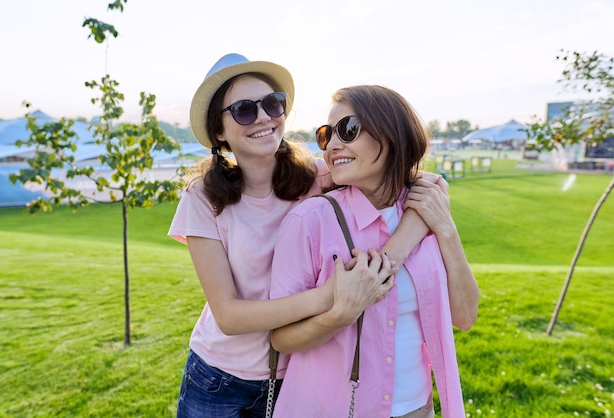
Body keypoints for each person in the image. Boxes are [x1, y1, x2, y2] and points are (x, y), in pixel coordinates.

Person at [167, 54, 443, 417]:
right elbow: (229, 316)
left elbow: (428, 184)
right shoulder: (202, 196)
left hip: (294, 374)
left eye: (272, 103)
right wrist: (333, 296)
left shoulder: (315, 176)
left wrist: (388, 260)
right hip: (219, 378)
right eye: (245, 110)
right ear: (219, 131)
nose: (264, 117)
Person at [270, 85, 480, 418]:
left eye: (348, 130)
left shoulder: (427, 209)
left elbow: (466, 317)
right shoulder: (309, 222)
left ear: (390, 133)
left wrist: (447, 230)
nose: (332, 145)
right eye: (326, 136)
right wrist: (340, 315)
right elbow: (281, 339)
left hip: (416, 409)